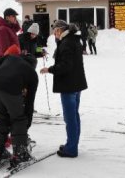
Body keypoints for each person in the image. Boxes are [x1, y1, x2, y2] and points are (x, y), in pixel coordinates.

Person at [40, 20, 88, 158]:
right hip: (76, 83)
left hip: (69, 85)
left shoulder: (66, 43)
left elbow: (65, 66)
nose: (54, 34)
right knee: (74, 116)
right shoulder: (72, 40)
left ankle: (71, 148)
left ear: (60, 30)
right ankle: (72, 144)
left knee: (70, 118)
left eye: (55, 31)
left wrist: (49, 69)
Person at [0, 44, 39, 168]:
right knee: (18, 119)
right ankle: (20, 155)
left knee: (2, 118)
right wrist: (27, 123)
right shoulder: (32, 73)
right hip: (10, 89)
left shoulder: (11, 58)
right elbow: (29, 103)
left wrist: (5, 58)